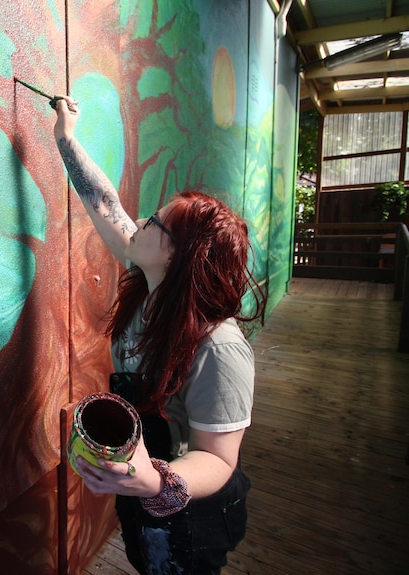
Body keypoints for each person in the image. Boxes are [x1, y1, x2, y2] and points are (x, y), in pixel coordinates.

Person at [51, 95, 266, 575]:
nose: (140, 220)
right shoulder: (150, 285)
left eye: (156, 222)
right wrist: (66, 138)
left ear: (179, 257)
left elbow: (218, 459)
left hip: (192, 512)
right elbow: (106, 207)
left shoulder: (221, 348)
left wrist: (155, 480)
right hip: (143, 489)